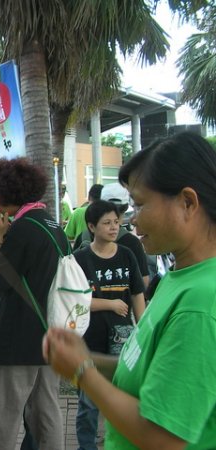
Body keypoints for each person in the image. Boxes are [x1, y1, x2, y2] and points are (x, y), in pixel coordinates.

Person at [44, 132, 216, 449]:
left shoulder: (201, 302)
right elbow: (144, 367)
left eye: (139, 204)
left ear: (188, 203)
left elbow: (163, 437)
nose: (132, 220)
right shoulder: (180, 277)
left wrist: (82, 371)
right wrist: (86, 358)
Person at [0, 157, 68, 450]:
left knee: (5, 416)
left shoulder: (22, 229)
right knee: (47, 413)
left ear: (5, 194)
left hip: (20, 336)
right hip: (52, 333)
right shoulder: (53, 225)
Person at [73, 200, 146, 450]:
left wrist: (142, 331)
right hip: (89, 340)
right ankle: (87, 446)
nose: (114, 227)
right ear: (92, 227)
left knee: (122, 396)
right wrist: (110, 304)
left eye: (116, 222)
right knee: (88, 402)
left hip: (123, 340)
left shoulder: (127, 255)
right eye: (107, 223)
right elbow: (74, 301)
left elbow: (137, 294)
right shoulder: (80, 259)